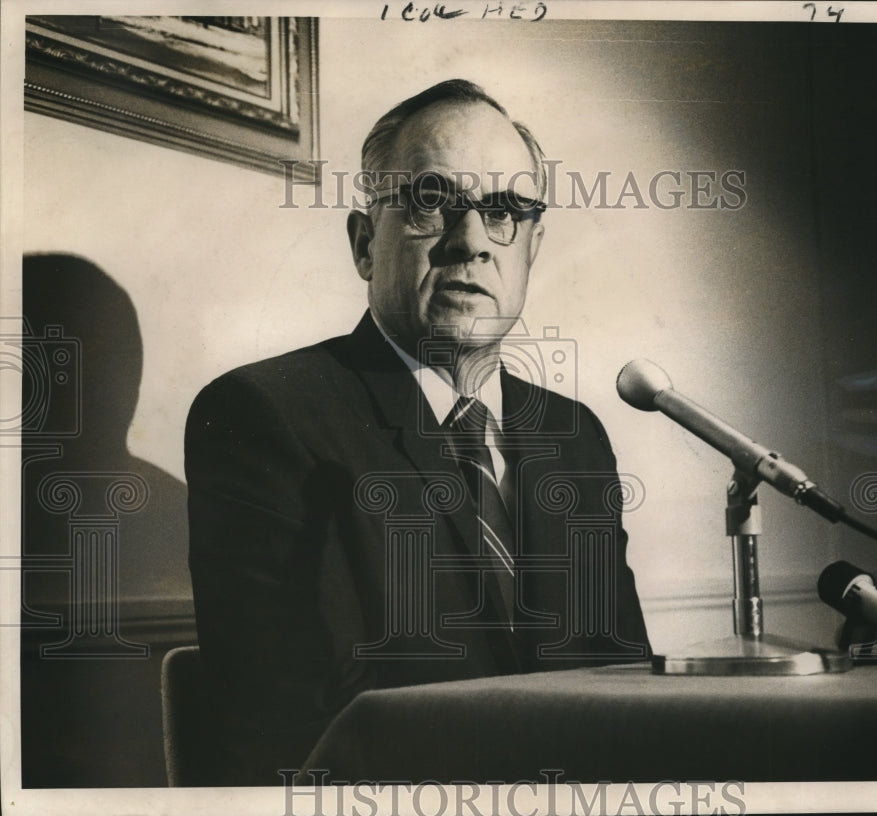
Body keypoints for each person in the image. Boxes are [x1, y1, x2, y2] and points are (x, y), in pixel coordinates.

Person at [185, 79, 649, 786]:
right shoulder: (266, 416)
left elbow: (626, 689)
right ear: (366, 243)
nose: (470, 244)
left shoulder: (575, 435)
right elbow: (294, 733)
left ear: (532, 247)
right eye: (433, 201)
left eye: (503, 212)